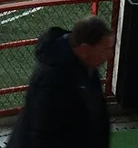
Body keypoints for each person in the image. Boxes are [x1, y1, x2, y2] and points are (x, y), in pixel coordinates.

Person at [6, 17, 115, 148]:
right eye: (105, 49)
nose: (110, 55)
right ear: (85, 49)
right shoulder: (54, 78)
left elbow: (98, 117)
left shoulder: (87, 67)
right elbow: (43, 133)